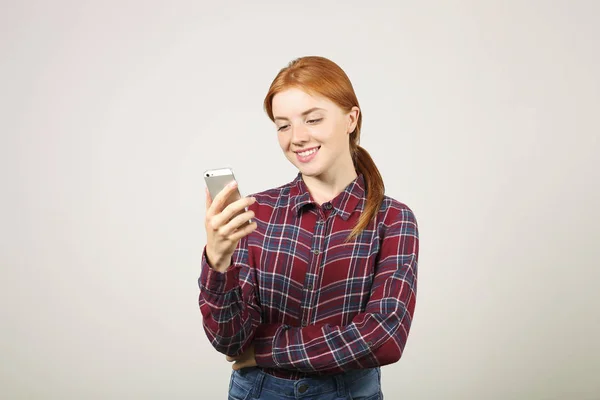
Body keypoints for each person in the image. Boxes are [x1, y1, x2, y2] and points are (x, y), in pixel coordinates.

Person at [198, 56, 419, 400]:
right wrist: (218, 263)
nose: (297, 138)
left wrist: (263, 350)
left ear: (351, 118)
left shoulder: (393, 220)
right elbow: (230, 341)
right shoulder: (258, 213)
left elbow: (383, 337)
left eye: (313, 119)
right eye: (283, 125)